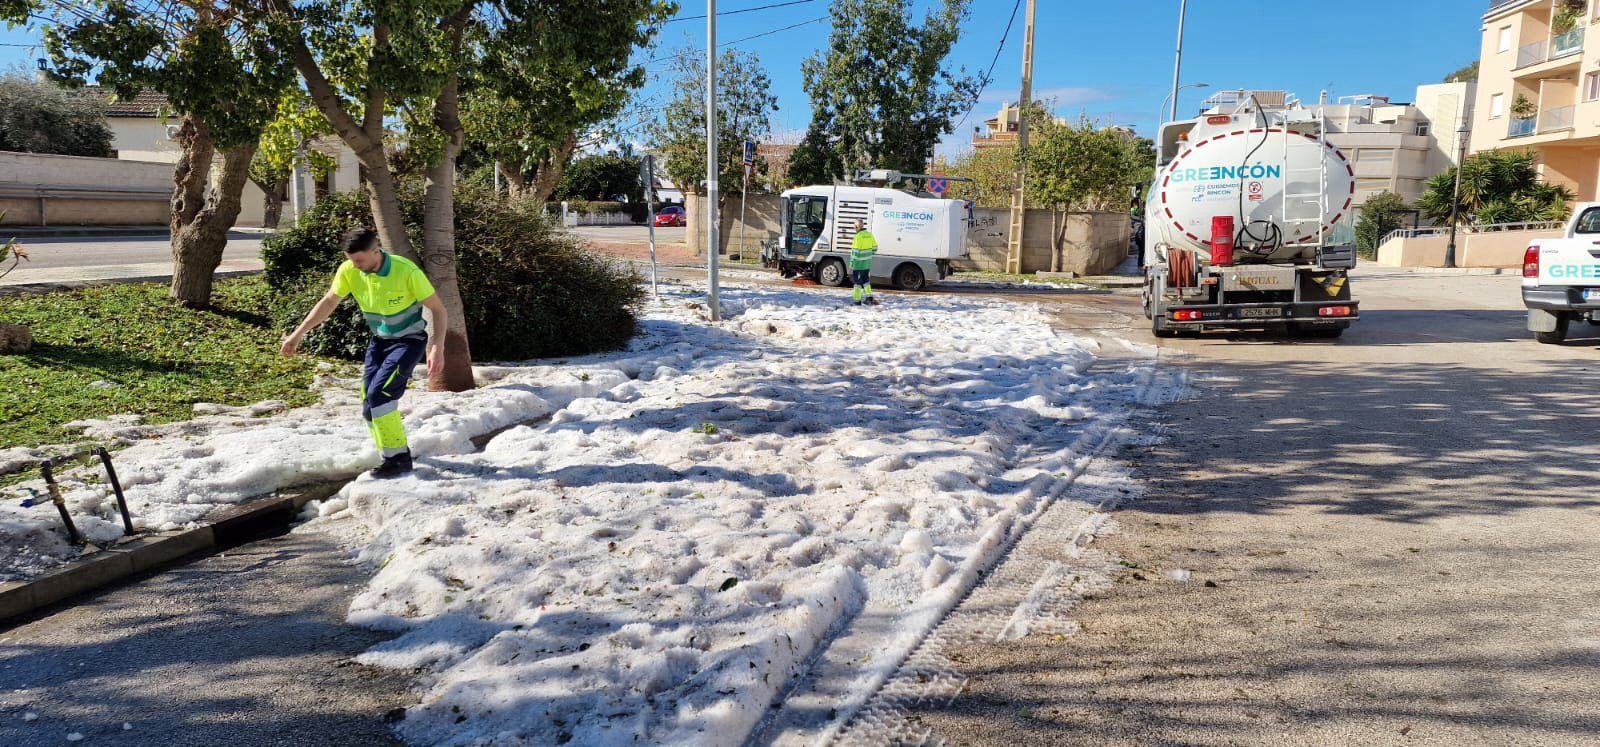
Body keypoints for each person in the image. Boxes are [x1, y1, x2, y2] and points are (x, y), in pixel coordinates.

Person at [280, 229, 446, 479]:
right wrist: (298, 333)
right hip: (380, 341)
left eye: (359, 260)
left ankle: (398, 459)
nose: (355, 266)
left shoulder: (406, 270)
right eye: (350, 260)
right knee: (369, 405)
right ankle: (388, 453)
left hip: (409, 341)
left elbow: (438, 309)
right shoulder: (348, 270)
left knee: (380, 395)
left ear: (375, 250)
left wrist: (437, 347)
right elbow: (328, 302)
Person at [849, 218, 879, 306]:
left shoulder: (858, 236)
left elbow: (855, 253)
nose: (854, 228)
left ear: (856, 226)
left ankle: (857, 301)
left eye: (854, 226)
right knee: (866, 281)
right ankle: (869, 298)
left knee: (857, 283)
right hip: (867, 263)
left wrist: (851, 265)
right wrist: (868, 255)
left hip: (858, 264)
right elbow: (875, 248)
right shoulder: (869, 234)